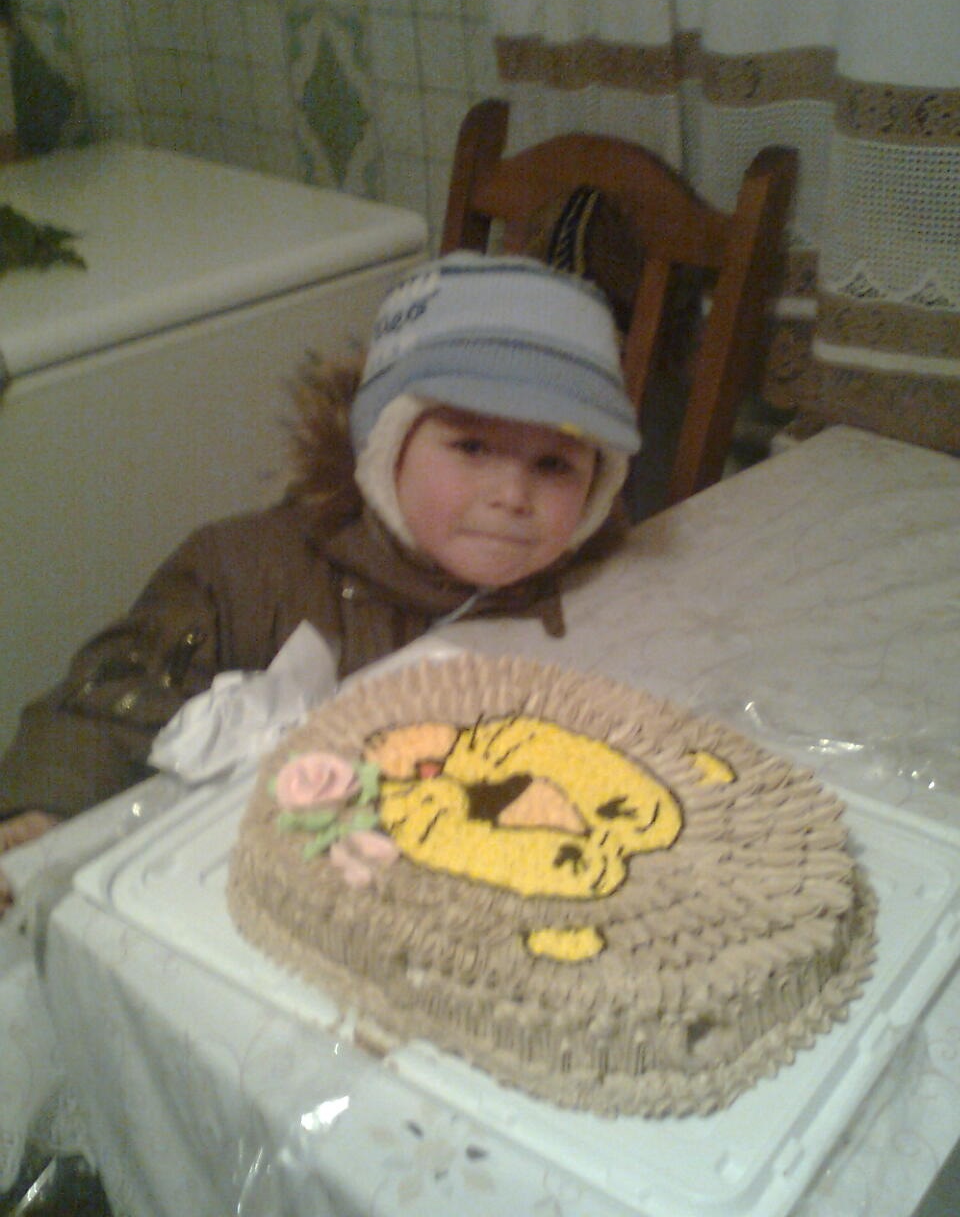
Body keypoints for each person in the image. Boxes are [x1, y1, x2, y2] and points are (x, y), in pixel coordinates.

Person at [0, 251, 641, 908]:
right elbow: (101, 696)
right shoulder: (243, 571)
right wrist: (46, 814)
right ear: (386, 446)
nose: (512, 495)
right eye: (472, 447)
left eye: (554, 465)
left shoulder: (595, 589)